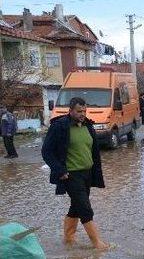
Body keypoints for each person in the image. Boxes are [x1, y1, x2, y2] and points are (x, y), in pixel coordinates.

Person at [42, 97, 109, 250]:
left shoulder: (88, 126)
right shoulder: (60, 126)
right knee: (85, 208)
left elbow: (93, 152)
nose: (82, 114)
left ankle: (68, 239)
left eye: (84, 111)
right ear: (70, 111)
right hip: (70, 175)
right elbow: (46, 152)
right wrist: (60, 170)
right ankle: (97, 243)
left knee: (76, 206)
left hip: (87, 173)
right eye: (79, 111)